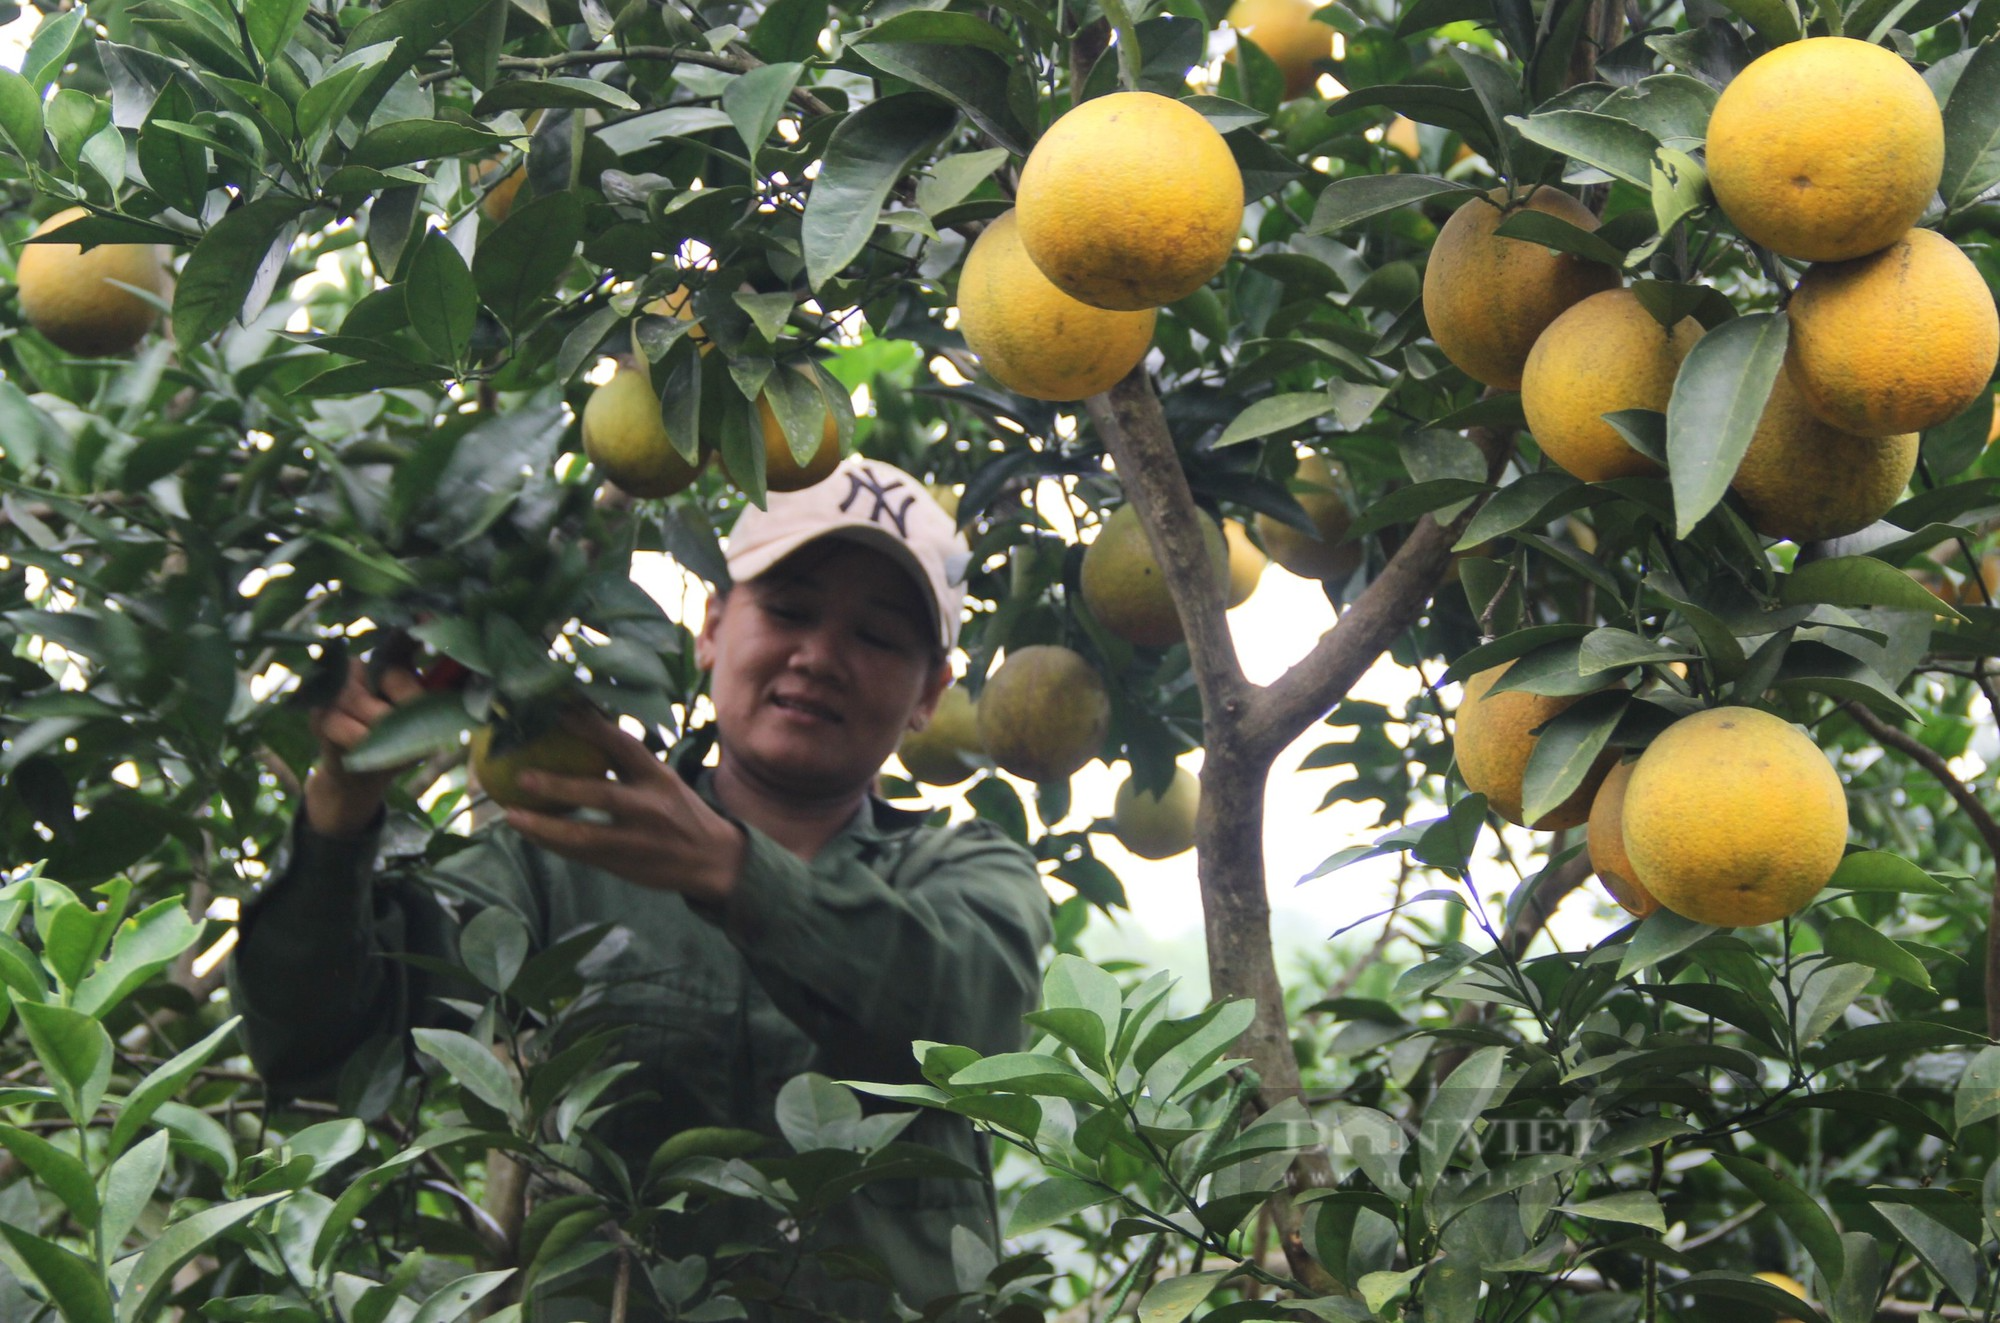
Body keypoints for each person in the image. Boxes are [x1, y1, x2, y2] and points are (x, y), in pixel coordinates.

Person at [228, 457, 1053, 1320]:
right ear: (712, 626)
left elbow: (972, 1025)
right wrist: (339, 811)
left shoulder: (967, 874)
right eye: (789, 609)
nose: (819, 656)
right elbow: (317, 1047)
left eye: (877, 636)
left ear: (929, 693)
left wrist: (732, 870)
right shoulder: (557, 860)